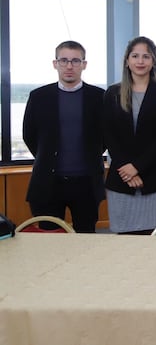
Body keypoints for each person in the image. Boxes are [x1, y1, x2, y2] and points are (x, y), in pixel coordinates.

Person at [22, 40, 106, 232]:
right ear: (55, 63)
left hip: (86, 182)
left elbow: (105, 137)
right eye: (64, 60)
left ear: (84, 65)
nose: (69, 66)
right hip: (49, 182)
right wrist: (49, 156)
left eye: (76, 61)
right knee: (50, 240)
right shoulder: (39, 96)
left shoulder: (99, 97)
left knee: (86, 239)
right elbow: (29, 135)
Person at [103, 36, 156, 234]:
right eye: (135, 56)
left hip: (155, 180)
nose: (140, 61)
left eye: (146, 56)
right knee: (125, 243)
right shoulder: (113, 93)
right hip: (121, 179)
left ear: (153, 61)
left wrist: (137, 167)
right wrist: (126, 168)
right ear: (127, 61)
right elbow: (108, 134)